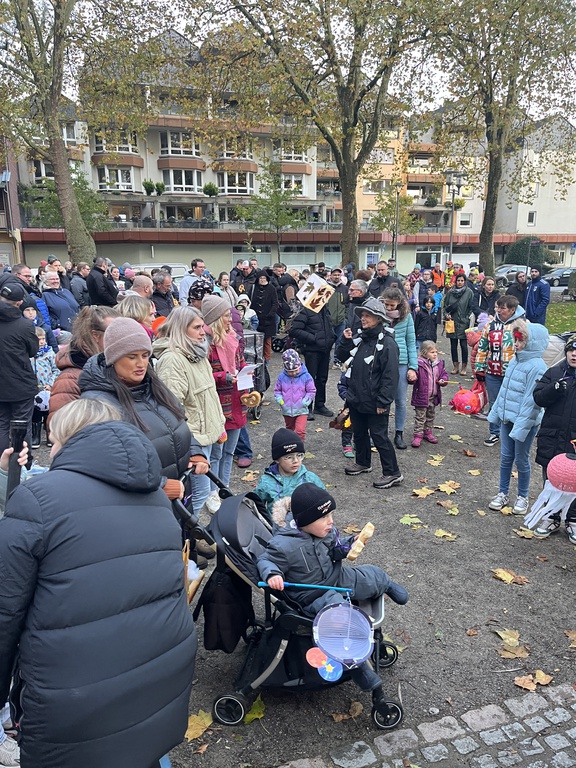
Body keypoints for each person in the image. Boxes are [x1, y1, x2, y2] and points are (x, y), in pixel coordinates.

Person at [0, 399, 198, 768]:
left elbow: (5, 609)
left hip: (76, 697)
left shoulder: (39, 499)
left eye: (55, 441)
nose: (52, 450)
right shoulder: (155, 496)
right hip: (156, 677)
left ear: (70, 441)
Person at [257, 483, 408, 716]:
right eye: (324, 516)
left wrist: (349, 543)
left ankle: (386, 584)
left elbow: (335, 549)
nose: (331, 521)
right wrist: (273, 574)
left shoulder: (325, 531)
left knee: (369, 574)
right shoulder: (283, 544)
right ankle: (356, 665)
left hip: (335, 576)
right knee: (342, 618)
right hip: (313, 594)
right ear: (305, 521)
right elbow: (265, 561)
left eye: (331, 514)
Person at [79, 317, 209, 508]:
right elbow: (104, 465)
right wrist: (160, 486)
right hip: (142, 507)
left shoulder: (153, 386)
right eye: (132, 357)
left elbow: (177, 423)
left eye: (145, 355)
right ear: (113, 358)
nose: (141, 364)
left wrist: (195, 452)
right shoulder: (98, 404)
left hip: (178, 499)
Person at [153, 307, 226, 518]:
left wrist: (218, 423)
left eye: (202, 326)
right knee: (199, 493)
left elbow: (208, 395)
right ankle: (197, 540)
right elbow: (172, 409)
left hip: (211, 433)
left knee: (211, 489)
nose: (203, 332)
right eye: (196, 327)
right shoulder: (172, 360)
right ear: (180, 329)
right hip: (195, 439)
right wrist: (192, 446)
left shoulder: (197, 353)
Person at [336, 298, 403, 489]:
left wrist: (383, 401)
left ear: (378, 318)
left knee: (379, 435)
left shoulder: (388, 344)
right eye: (362, 315)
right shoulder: (361, 338)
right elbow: (342, 357)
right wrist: (345, 340)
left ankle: (392, 473)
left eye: (367, 315)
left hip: (375, 400)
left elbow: (390, 376)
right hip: (356, 397)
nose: (363, 319)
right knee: (359, 432)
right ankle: (363, 462)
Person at [486, 320, 549, 515]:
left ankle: (523, 496)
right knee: (506, 458)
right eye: (515, 339)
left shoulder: (537, 367)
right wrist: (497, 412)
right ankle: (502, 492)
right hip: (508, 418)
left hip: (524, 423)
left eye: (520, 340)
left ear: (532, 342)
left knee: (521, 459)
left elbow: (532, 402)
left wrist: (521, 427)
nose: (516, 344)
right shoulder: (515, 361)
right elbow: (505, 391)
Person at [202, 294, 249, 504]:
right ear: (214, 318)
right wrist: (224, 376)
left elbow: (241, 364)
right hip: (218, 403)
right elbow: (202, 377)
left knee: (230, 451)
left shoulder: (233, 339)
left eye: (230, 315)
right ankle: (212, 492)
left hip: (237, 399)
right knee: (217, 452)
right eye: (226, 316)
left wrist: (248, 386)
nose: (230, 320)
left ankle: (224, 487)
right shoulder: (204, 344)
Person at [532, 334, 576, 543]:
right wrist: (554, 388)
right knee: (551, 478)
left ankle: (573, 520)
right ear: (566, 352)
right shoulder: (555, 372)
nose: (574, 354)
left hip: (573, 440)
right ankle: (551, 517)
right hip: (552, 437)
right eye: (571, 350)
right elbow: (538, 398)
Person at [47, 305, 119, 429]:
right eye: (114, 333)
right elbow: (60, 429)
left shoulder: (116, 366)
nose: (121, 338)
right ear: (95, 335)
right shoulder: (70, 378)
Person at [474, 295, 525, 447]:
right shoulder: (490, 325)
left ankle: (513, 432)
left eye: (502, 308)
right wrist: (479, 368)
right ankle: (494, 432)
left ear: (512, 310)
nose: (498, 310)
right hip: (492, 372)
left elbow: (528, 348)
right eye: (497, 307)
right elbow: (482, 347)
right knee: (494, 402)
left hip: (514, 373)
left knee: (514, 402)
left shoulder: (521, 325)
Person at [0, 283, 39, 453]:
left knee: (2, 425)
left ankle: (4, 469)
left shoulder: (23, 325)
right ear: (19, 303)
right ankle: (21, 466)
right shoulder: (25, 326)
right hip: (20, 383)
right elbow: (33, 351)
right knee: (22, 426)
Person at [254, 429, 325, 517]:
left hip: (306, 528)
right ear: (277, 459)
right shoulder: (266, 482)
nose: (295, 461)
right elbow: (256, 506)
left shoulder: (310, 478)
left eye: (299, 455)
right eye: (289, 457)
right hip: (276, 528)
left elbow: (324, 502)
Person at [381, 287, 418, 450]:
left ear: (400, 304)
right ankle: (380, 433)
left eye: (392, 305)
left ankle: (399, 433)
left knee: (401, 401)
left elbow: (411, 342)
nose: (389, 308)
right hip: (382, 361)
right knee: (382, 399)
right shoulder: (379, 315)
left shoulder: (407, 317)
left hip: (401, 362)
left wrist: (413, 367)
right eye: (386, 305)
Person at [289, 301, 335, 419]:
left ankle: (319, 405)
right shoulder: (306, 310)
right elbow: (294, 330)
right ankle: (306, 407)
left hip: (324, 349)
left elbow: (328, 326)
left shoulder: (325, 309)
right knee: (309, 379)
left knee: (322, 378)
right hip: (311, 350)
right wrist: (313, 339)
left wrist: (331, 337)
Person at [410, 341, 449, 447]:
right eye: (432, 352)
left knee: (430, 415)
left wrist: (443, 380)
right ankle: (418, 435)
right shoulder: (419, 364)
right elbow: (413, 378)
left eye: (436, 352)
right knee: (420, 417)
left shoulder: (439, 364)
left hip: (434, 396)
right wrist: (412, 378)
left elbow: (444, 374)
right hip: (422, 396)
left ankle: (428, 432)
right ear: (424, 353)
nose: (435, 354)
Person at [274, 349, 316, 441]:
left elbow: (311, 390)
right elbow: (277, 390)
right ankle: (291, 447)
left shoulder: (306, 376)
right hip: (287, 409)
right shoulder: (282, 377)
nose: (293, 373)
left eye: (296, 370)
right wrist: (280, 399)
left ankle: (299, 448)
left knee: (300, 430)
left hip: (301, 409)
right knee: (289, 430)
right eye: (290, 371)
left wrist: (306, 401)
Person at [30, 326, 59, 449]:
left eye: (43, 339)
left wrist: (51, 383)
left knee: (48, 412)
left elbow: (56, 369)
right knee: (35, 412)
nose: (42, 342)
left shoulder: (49, 353)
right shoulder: (29, 354)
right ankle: (35, 436)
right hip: (34, 388)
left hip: (47, 387)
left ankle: (49, 435)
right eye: (38, 339)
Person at [443, 273, 474, 375]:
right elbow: (445, 306)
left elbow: (471, 307)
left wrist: (466, 318)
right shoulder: (450, 292)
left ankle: (464, 367)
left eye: (462, 281)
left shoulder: (469, 292)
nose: (460, 283)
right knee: (453, 345)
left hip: (463, 322)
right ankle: (455, 365)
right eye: (458, 281)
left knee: (464, 345)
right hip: (452, 322)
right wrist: (446, 315)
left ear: (464, 282)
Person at [40, 271, 80, 341]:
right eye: (52, 279)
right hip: (63, 333)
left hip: (77, 329)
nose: (55, 281)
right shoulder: (44, 295)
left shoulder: (66, 292)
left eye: (57, 279)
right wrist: (58, 325)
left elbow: (76, 307)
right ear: (46, 281)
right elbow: (44, 315)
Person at [250, 270, 279, 361]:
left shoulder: (271, 288)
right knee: (257, 340)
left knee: (267, 341)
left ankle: (266, 359)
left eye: (264, 278)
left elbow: (275, 303)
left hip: (268, 319)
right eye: (260, 278)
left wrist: (271, 314)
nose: (262, 280)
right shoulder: (254, 287)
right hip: (256, 318)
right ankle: (257, 357)